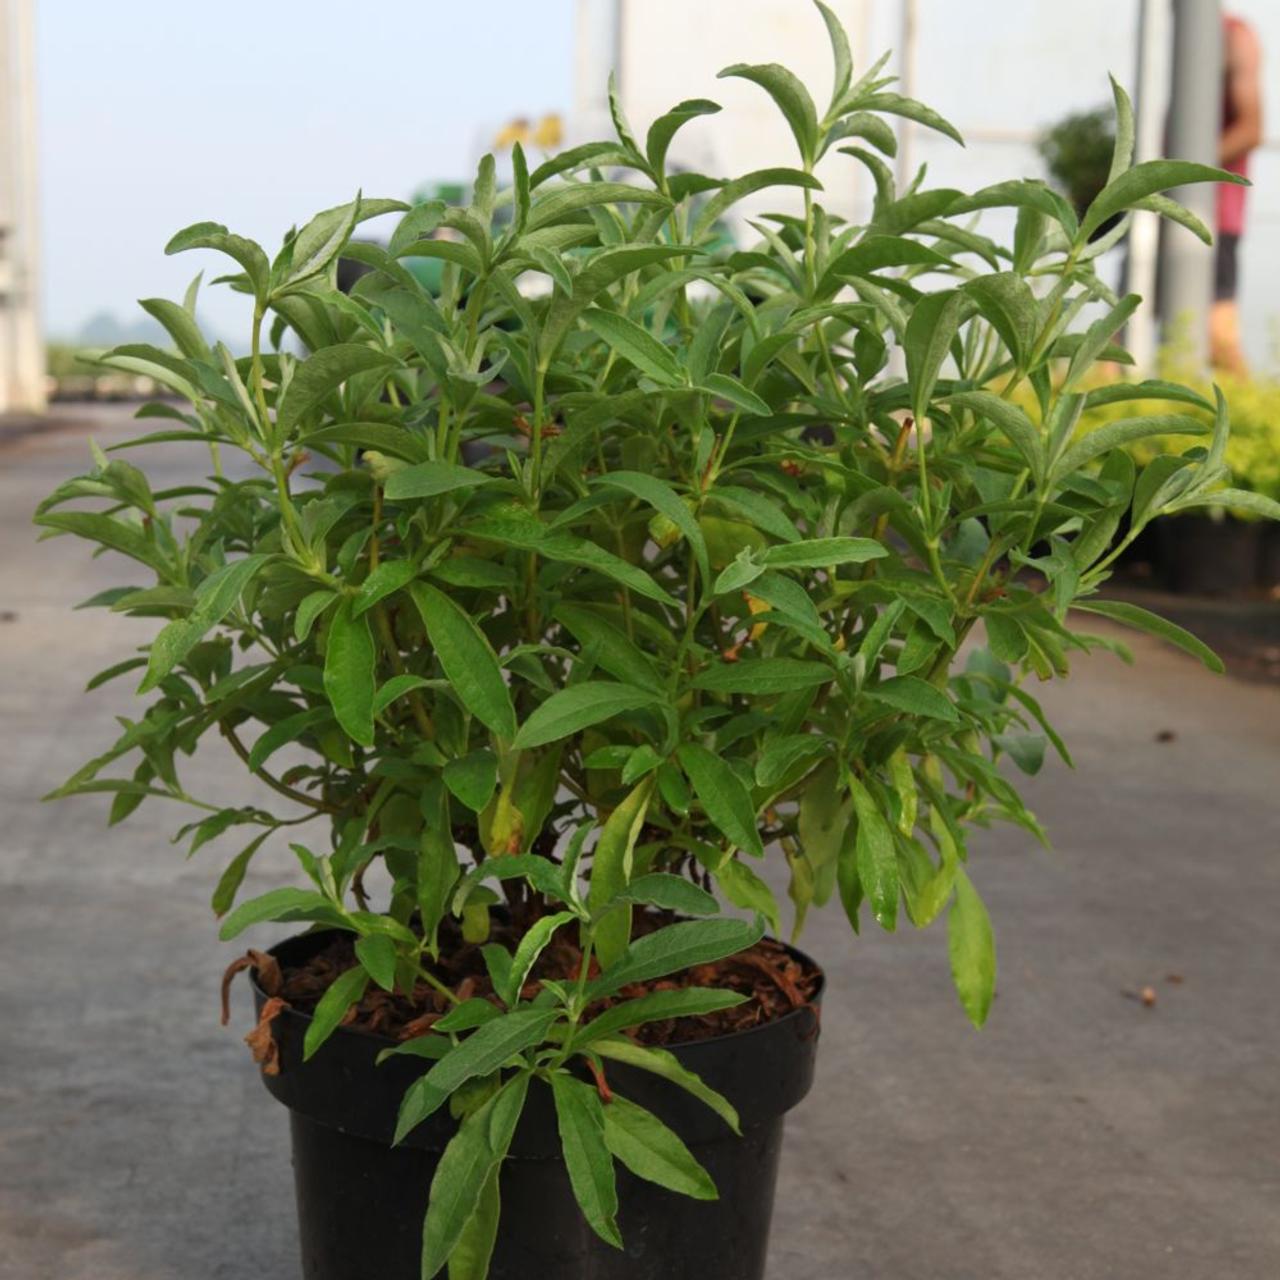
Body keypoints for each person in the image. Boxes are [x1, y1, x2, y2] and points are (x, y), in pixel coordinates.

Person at [1212, 14, 1263, 374]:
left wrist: (1180, 171)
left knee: (1218, 336)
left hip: (1212, 214)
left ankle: (1262, 424)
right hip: (1162, 207)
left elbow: (1251, 130)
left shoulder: (1234, 38)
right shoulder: (1163, 38)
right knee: (1114, 337)